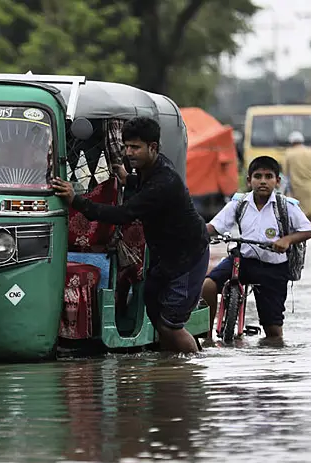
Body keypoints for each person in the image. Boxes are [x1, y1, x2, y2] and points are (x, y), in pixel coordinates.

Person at [50, 117, 210, 353]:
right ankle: (170, 371)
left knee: (171, 325)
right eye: (125, 146)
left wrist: (76, 200)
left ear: (153, 147)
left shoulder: (164, 181)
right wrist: (129, 179)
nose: (128, 152)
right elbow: (142, 186)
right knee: (155, 312)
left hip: (188, 258)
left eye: (135, 147)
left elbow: (123, 214)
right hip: (165, 257)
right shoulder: (149, 170)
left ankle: (191, 372)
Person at [201, 156, 311, 344]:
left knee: (274, 333)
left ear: (277, 181)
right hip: (243, 261)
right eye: (258, 176)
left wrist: (286, 240)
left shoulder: (285, 206)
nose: (263, 181)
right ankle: (207, 337)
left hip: (274, 268)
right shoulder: (239, 204)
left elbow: (307, 230)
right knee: (208, 285)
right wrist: (193, 231)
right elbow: (214, 227)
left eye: (268, 176)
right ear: (249, 180)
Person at [281, 130, 311, 225]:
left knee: (298, 209)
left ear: (292, 142)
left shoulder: (288, 154)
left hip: (295, 187)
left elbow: (284, 172)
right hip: (310, 186)